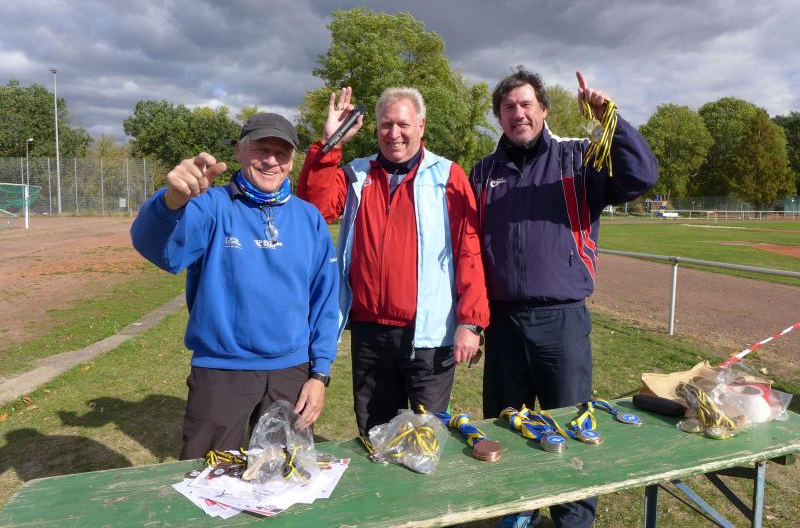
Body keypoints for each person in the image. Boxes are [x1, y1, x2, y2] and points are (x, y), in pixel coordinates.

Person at [470, 68, 658, 528]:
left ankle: (572, 519)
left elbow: (641, 176)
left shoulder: (578, 157)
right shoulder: (482, 172)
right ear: (499, 116)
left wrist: (610, 118)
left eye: (526, 104)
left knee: (573, 426)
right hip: (503, 324)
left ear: (543, 109)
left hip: (562, 321)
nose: (518, 113)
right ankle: (517, 511)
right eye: (509, 107)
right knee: (507, 425)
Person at [131, 113, 339, 460]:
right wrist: (171, 203)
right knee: (207, 478)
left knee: (284, 476)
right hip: (222, 371)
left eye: (281, 153)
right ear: (240, 151)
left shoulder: (309, 218)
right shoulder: (210, 206)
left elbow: (325, 303)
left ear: (292, 161)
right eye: (261, 149)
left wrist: (319, 375)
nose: (271, 160)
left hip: (291, 373)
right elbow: (158, 249)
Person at [298, 86, 489, 438]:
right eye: (386, 125)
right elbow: (315, 208)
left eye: (403, 124)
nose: (394, 133)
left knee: (426, 439)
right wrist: (330, 142)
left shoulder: (448, 175)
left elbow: (470, 251)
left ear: (421, 126)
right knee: (376, 436)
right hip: (370, 334)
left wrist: (471, 322)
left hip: (429, 335)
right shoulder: (357, 174)